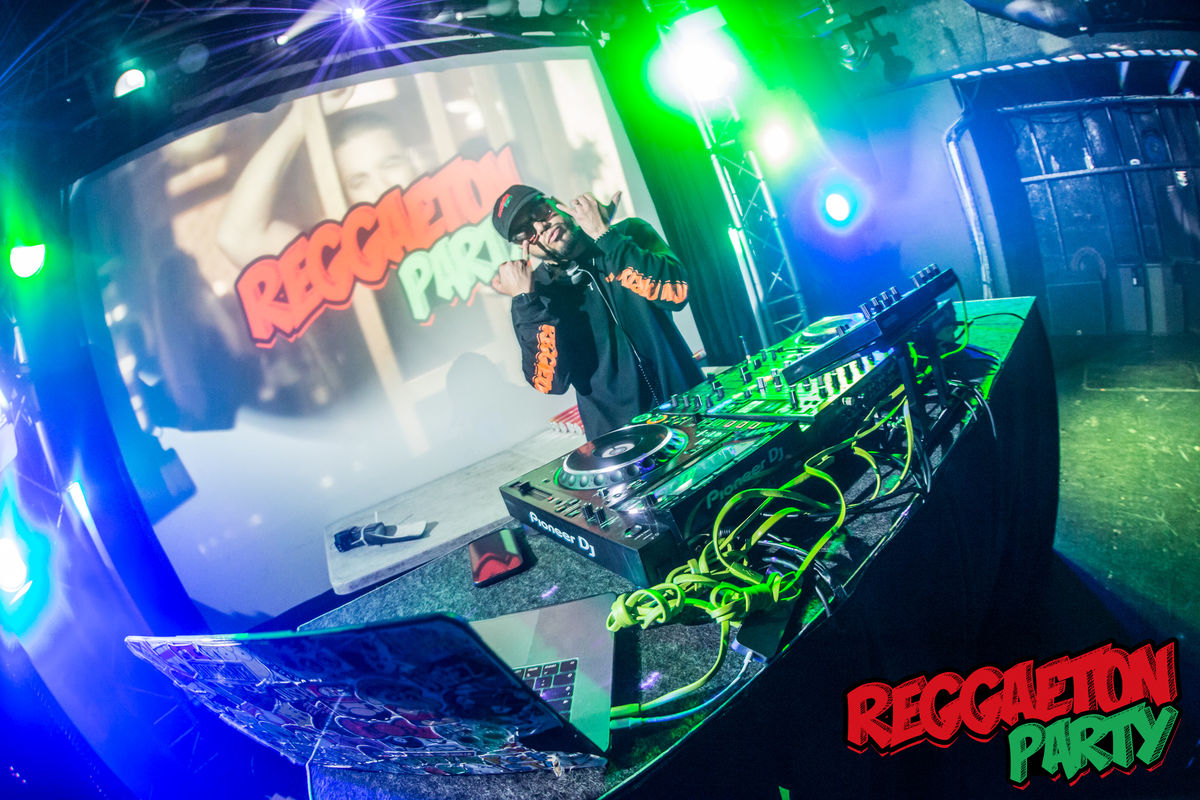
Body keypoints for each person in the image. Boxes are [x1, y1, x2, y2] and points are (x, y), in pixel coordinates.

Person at [490, 184, 703, 441]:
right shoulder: (538, 295)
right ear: (520, 246)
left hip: (686, 404)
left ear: (556, 202)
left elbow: (676, 293)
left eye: (540, 211)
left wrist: (605, 236)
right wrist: (525, 302)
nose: (541, 226)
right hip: (620, 439)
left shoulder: (628, 235)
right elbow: (551, 382)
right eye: (526, 232)